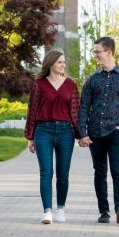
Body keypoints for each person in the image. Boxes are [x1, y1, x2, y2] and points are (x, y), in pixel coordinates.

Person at [77, 36, 119, 224]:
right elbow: (83, 107)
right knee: (99, 172)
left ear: (109, 52)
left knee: (117, 170)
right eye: (94, 52)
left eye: (98, 52)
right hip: (95, 134)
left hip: (116, 133)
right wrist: (82, 132)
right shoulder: (92, 80)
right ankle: (104, 211)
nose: (95, 55)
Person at [25, 50, 82, 224]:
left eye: (64, 62)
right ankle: (47, 211)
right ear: (50, 64)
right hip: (44, 131)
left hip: (66, 132)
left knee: (63, 174)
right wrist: (30, 137)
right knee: (46, 172)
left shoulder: (71, 85)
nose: (63, 65)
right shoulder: (39, 84)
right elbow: (32, 110)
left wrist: (80, 135)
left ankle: (60, 209)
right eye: (60, 62)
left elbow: (75, 112)